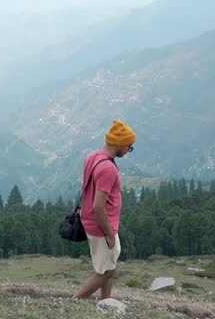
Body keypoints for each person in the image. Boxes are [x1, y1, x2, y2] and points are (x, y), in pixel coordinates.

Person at [72, 119, 136, 300]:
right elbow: (98, 207)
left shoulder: (93, 156)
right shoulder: (108, 169)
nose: (128, 151)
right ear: (120, 144)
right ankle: (75, 300)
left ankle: (106, 301)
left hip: (93, 222)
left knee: (109, 267)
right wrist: (109, 234)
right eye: (129, 147)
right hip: (101, 227)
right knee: (104, 272)